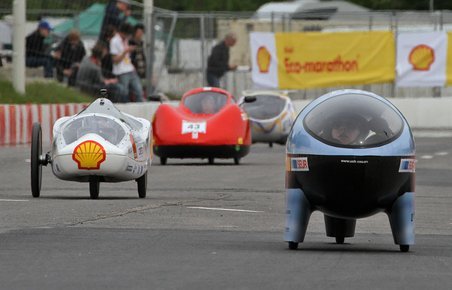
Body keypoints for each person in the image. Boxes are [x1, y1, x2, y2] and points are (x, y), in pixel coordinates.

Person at [110, 23, 144, 102]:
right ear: (123, 33)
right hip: (121, 71)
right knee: (124, 93)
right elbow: (115, 60)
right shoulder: (114, 41)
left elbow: (127, 57)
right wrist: (126, 51)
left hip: (130, 69)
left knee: (139, 91)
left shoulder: (125, 40)